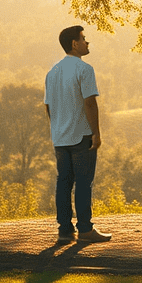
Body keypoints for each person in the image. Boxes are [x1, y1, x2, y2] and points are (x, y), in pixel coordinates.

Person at [44, 25, 111, 244]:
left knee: (63, 183)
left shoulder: (52, 72)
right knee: (83, 183)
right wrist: (96, 133)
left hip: (60, 137)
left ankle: (64, 231)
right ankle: (85, 230)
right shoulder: (85, 69)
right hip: (81, 135)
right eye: (83, 38)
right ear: (74, 44)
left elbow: (48, 106)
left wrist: (57, 127)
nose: (86, 42)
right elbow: (90, 103)